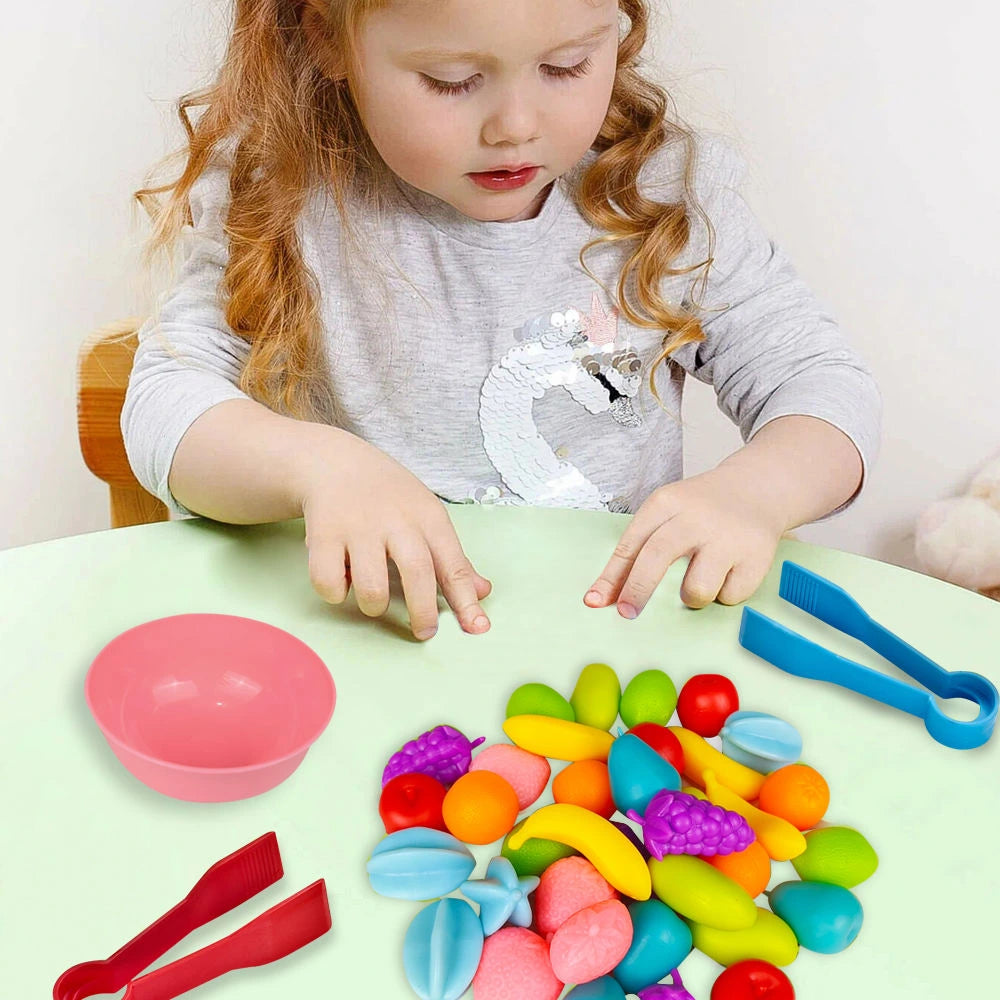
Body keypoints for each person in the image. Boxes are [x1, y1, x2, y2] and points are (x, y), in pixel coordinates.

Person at [122, 0, 881, 641]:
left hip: (610, 649)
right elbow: (165, 404)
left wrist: (758, 492)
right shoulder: (279, 197)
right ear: (327, 37)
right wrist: (315, 469)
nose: (516, 125)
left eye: (566, 67)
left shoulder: (664, 196)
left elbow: (821, 382)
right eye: (452, 81)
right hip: (370, 641)